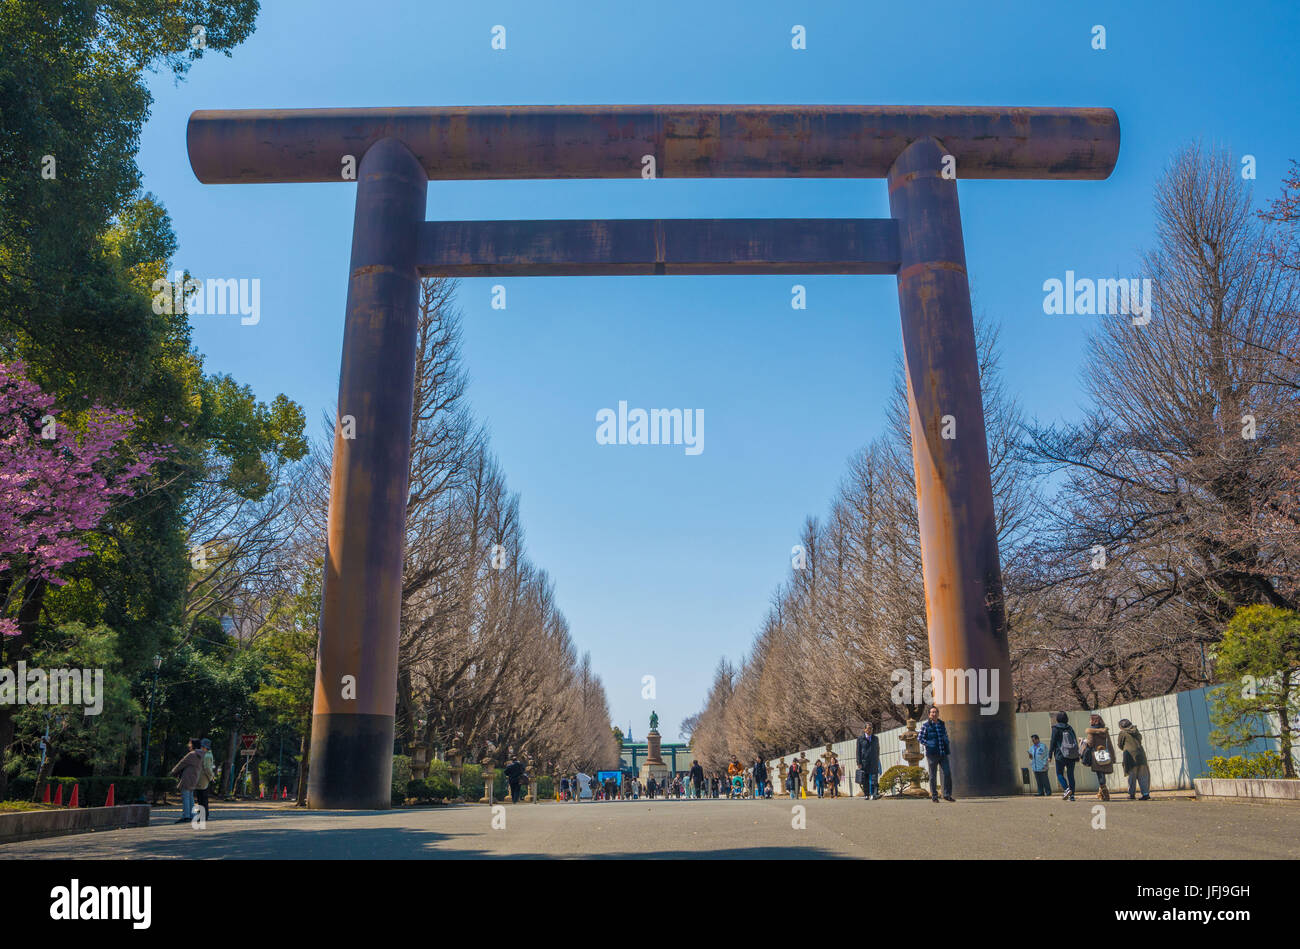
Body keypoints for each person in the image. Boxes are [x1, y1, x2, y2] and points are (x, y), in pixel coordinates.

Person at [917, 705, 954, 802]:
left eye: (935, 712)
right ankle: (934, 796)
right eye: (932, 712)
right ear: (929, 715)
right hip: (932, 754)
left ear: (938, 713)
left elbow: (945, 734)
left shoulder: (942, 724)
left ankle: (947, 795)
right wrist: (929, 744)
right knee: (933, 776)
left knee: (947, 773)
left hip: (943, 753)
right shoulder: (926, 725)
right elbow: (920, 738)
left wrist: (947, 742)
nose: (934, 714)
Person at [169, 739, 205, 823]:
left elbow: (182, 763)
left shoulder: (192, 754)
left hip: (187, 777)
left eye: (190, 744)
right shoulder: (201, 755)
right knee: (190, 797)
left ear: (193, 745)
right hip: (195, 777)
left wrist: (173, 771)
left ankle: (186, 816)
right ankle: (193, 815)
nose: (189, 745)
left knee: (185, 796)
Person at [1083, 713, 1116, 801]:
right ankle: (1101, 793)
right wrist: (1113, 756)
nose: (1089, 721)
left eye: (1090, 720)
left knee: (1100, 774)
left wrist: (1083, 742)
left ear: (1094, 721)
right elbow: (1109, 743)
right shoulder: (1105, 731)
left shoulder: (1091, 731)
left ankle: (1105, 793)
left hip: (1096, 754)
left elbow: (1090, 744)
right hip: (1105, 753)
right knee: (1103, 773)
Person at [1116, 718, 1151, 800]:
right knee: (1143, 775)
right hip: (1141, 754)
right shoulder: (1136, 730)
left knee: (1131, 776)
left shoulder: (1122, 733)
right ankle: (1145, 794)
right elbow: (1140, 739)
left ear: (1121, 726)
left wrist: (1125, 748)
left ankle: (1131, 794)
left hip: (1130, 756)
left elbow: (1120, 744)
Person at [1048, 711, 1078, 801]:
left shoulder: (1056, 728)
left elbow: (1052, 742)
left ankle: (1067, 789)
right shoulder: (1070, 728)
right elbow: (1074, 740)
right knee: (1070, 775)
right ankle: (1072, 796)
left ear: (1058, 719)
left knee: (1059, 773)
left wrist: (1050, 755)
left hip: (1060, 754)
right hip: (1071, 754)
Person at [856, 723, 882, 800]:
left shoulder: (875, 738)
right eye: (868, 728)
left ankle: (874, 794)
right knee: (865, 780)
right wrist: (859, 762)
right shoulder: (860, 739)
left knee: (874, 779)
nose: (869, 730)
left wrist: (877, 759)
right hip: (864, 762)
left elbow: (878, 749)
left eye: (871, 728)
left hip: (873, 761)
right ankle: (867, 794)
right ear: (864, 729)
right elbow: (858, 751)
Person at [195, 738, 216, 818]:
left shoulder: (206, 755)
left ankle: (203, 815)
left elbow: (207, 768)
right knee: (202, 798)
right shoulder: (206, 754)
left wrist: (211, 777)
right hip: (203, 778)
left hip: (203, 778)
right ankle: (203, 814)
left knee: (202, 798)